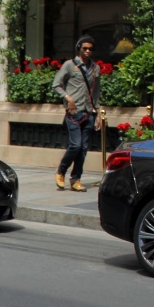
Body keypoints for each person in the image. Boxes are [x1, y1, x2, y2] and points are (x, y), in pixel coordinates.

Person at [52, 35, 102, 192]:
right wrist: (68, 98)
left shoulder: (95, 68)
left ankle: (76, 179)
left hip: (89, 112)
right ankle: (61, 171)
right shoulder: (69, 65)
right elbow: (56, 85)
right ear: (79, 48)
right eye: (84, 48)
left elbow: (96, 92)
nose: (87, 51)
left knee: (83, 149)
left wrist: (98, 113)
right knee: (75, 145)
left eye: (90, 49)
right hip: (73, 113)